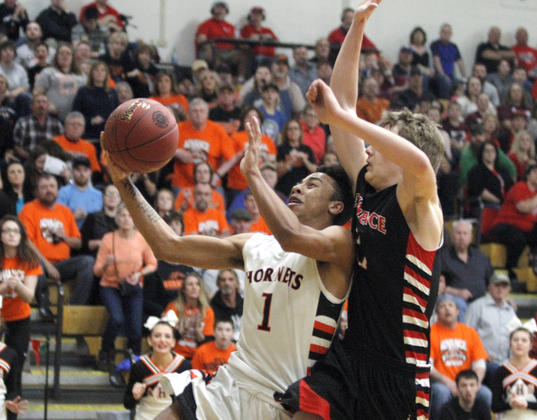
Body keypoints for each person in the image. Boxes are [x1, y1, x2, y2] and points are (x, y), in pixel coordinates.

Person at [104, 106, 353, 419]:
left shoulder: (339, 248)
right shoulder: (255, 244)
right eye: (300, 182)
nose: (297, 186)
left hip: (283, 401)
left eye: (312, 184)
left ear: (336, 205)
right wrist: (123, 182)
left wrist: (252, 173)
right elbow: (168, 246)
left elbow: (291, 235)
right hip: (230, 384)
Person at [277, 1, 444, 418]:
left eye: (382, 142)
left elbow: (418, 163)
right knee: (301, 411)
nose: (368, 147)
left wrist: (347, 119)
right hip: (351, 356)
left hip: (399, 373)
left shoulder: (421, 205)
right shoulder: (366, 183)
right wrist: (357, 28)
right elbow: (343, 104)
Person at [94, 203, 157, 384]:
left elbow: (152, 264)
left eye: (130, 216)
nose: (126, 219)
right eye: (122, 215)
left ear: (135, 219)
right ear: (117, 218)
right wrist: (107, 263)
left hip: (133, 285)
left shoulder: (141, 239)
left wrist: (139, 274)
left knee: (136, 329)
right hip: (110, 285)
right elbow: (97, 271)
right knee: (116, 319)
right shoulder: (108, 238)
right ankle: (105, 353)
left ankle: (133, 362)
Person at [19, 173, 95, 305]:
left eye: (52, 186)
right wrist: (48, 266)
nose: (49, 190)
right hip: (39, 262)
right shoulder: (28, 209)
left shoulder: (65, 211)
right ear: (37, 192)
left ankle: (74, 307)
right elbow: (26, 242)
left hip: (62, 264)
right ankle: (45, 308)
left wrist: (63, 236)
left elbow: (78, 243)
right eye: (44, 187)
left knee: (88, 262)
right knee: (34, 263)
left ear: (57, 190)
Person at [0, 215, 41, 415]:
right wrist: (3, 287)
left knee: (14, 371)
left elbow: (29, 296)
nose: (11, 235)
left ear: (21, 235)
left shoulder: (29, 260)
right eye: (7, 230)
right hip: (0, 318)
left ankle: (12, 414)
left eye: (15, 231)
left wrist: (17, 285)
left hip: (19, 320)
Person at [430, 294, 492, 420]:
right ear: (436, 313)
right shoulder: (430, 333)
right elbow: (429, 366)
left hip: (468, 381)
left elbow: (479, 364)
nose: (447, 309)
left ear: (458, 310)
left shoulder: (470, 333)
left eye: (451, 305)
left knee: (485, 393)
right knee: (442, 392)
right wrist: (450, 383)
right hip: (442, 383)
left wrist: (476, 383)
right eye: (442, 306)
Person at [124, 316, 191, 420]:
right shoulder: (140, 366)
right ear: (150, 340)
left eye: (167, 336)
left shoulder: (184, 365)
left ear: (173, 342)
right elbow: (127, 404)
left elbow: (191, 403)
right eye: (157, 336)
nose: (162, 340)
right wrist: (135, 396)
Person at [464, 271, 520, 387]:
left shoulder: (510, 311)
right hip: (483, 363)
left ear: (508, 290)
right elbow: (465, 335)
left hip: (506, 362)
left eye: (504, 286)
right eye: (497, 285)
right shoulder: (477, 306)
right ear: (489, 287)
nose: (500, 289)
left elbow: (516, 337)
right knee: (498, 371)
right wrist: (481, 354)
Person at [172, 98, 234, 194]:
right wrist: (176, 152)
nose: (198, 114)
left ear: (207, 113)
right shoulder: (178, 128)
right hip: (183, 183)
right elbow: (162, 148)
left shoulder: (217, 131)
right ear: (189, 113)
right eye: (195, 111)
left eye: (201, 111)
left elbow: (230, 158)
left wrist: (217, 176)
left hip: (210, 183)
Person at [487, 164, 537, 280]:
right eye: (535, 172)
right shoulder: (520, 187)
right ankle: (510, 269)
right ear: (528, 175)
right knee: (518, 239)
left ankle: (533, 259)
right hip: (505, 225)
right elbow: (523, 208)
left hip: (526, 228)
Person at [438, 220, 494, 318]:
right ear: (452, 236)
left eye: (465, 233)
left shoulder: (481, 257)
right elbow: (438, 286)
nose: (462, 237)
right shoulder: (443, 257)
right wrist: (457, 293)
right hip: (455, 301)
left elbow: (492, 281)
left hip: (481, 302)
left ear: (471, 238)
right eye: (458, 233)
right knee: (458, 305)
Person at [163, 272, 214, 360]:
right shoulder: (173, 307)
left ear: (200, 288)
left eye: (197, 284)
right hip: (175, 355)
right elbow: (165, 336)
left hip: (198, 357)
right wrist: (182, 329)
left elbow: (208, 344)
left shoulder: (207, 311)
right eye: (190, 284)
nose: (194, 287)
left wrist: (198, 332)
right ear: (184, 289)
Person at [491, 327, 537, 418]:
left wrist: (527, 404)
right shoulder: (501, 371)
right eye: (515, 340)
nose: (519, 343)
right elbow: (495, 406)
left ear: (531, 345)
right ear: (510, 344)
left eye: (524, 340)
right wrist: (510, 404)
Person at [34, 42, 86, 122]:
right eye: (61, 53)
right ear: (56, 57)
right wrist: (47, 106)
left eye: (68, 53)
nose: (65, 56)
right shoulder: (47, 72)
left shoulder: (81, 76)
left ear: (73, 57)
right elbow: (37, 93)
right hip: (52, 116)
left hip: (74, 118)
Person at [72, 61, 118, 140]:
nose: (99, 73)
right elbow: (76, 113)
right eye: (96, 70)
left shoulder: (112, 92)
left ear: (106, 74)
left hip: (107, 135)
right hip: (87, 134)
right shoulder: (83, 91)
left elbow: (117, 113)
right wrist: (91, 120)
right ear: (91, 73)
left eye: (102, 70)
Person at [12, 93, 63, 161]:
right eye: (38, 102)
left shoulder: (56, 124)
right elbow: (16, 146)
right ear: (31, 106)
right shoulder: (22, 122)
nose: (41, 105)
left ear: (48, 105)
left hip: (51, 162)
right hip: (28, 160)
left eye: (44, 102)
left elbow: (61, 146)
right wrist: (31, 158)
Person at [57, 155, 103, 228]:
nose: (82, 174)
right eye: (78, 170)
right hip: (70, 235)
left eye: (85, 170)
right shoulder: (63, 192)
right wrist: (73, 216)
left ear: (90, 172)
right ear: (72, 171)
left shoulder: (98, 194)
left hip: (93, 236)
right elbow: (56, 218)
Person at [275, 118, 317, 197]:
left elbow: (315, 170)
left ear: (300, 132)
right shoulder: (280, 149)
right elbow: (277, 173)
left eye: (296, 128)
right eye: (290, 129)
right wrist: (291, 161)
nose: (293, 131)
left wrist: (305, 161)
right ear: (286, 132)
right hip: (283, 190)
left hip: (303, 190)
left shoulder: (307, 149)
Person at [80, 183, 120, 257]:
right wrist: (98, 243)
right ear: (103, 197)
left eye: (115, 194)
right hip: (97, 256)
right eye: (109, 193)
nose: (112, 197)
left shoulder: (124, 220)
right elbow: (83, 243)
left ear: (120, 199)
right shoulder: (92, 217)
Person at [430, 23, 466, 99]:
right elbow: (436, 61)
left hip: (451, 75)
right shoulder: (435, 44)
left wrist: (464, 77)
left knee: (461, 84)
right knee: (445, 83)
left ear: (451, 34)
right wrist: (443, 75)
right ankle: (445, 104)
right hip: (439, 74)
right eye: (444, 32)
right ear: (440, 33)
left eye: (448, 32)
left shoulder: (453, 46)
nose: (446, 34)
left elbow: (460, 62)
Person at [209, 269, 243, 341]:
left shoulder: (245, 304)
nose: (227, 283)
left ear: (236, 283)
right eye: (223, 280)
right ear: (218, 284)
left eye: (230, 279)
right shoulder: (212, 306)